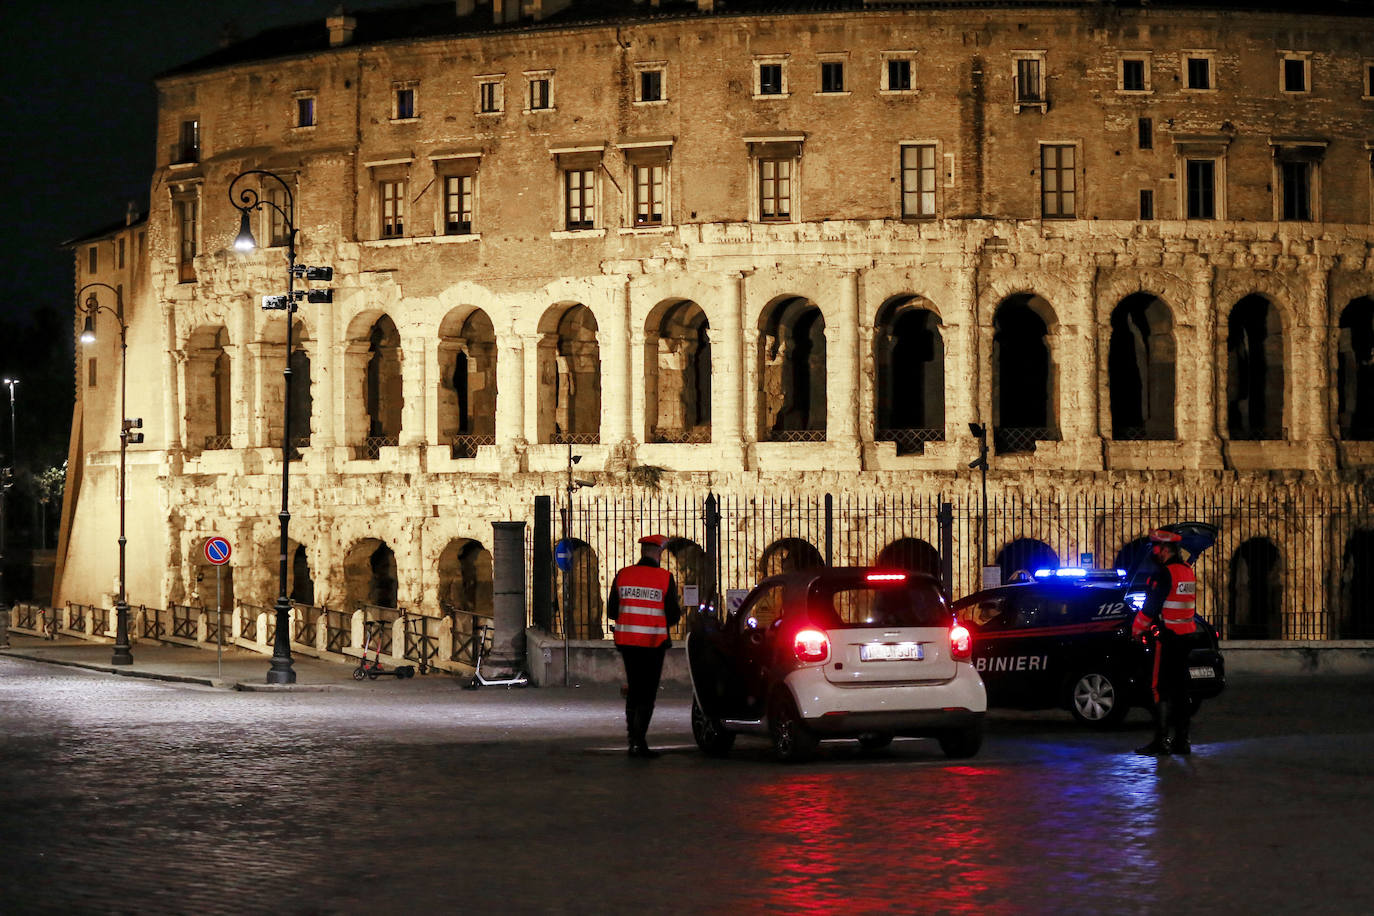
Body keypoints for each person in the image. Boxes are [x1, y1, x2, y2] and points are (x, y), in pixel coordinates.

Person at [607, 534, 682, 759]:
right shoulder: (665, 578)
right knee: (647, 694)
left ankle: (632, 739)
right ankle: (639, 741)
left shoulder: (623, 575)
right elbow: (672, 615)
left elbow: (612, 611)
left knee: (634, 690)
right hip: (652, 643)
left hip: (627, 643)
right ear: (658, 553)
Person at [1132, 529, 1199, 756]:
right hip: (1187, 636)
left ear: (1166, 549)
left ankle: (1161, 742)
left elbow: (1150, 607)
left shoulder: (1165, 573)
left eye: (1157, 547)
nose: (1154, 551)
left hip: (1168, 638)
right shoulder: (1187, 572)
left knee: (1160, 689)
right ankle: (1183, 741)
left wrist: (1137, 629)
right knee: (1182, 690)